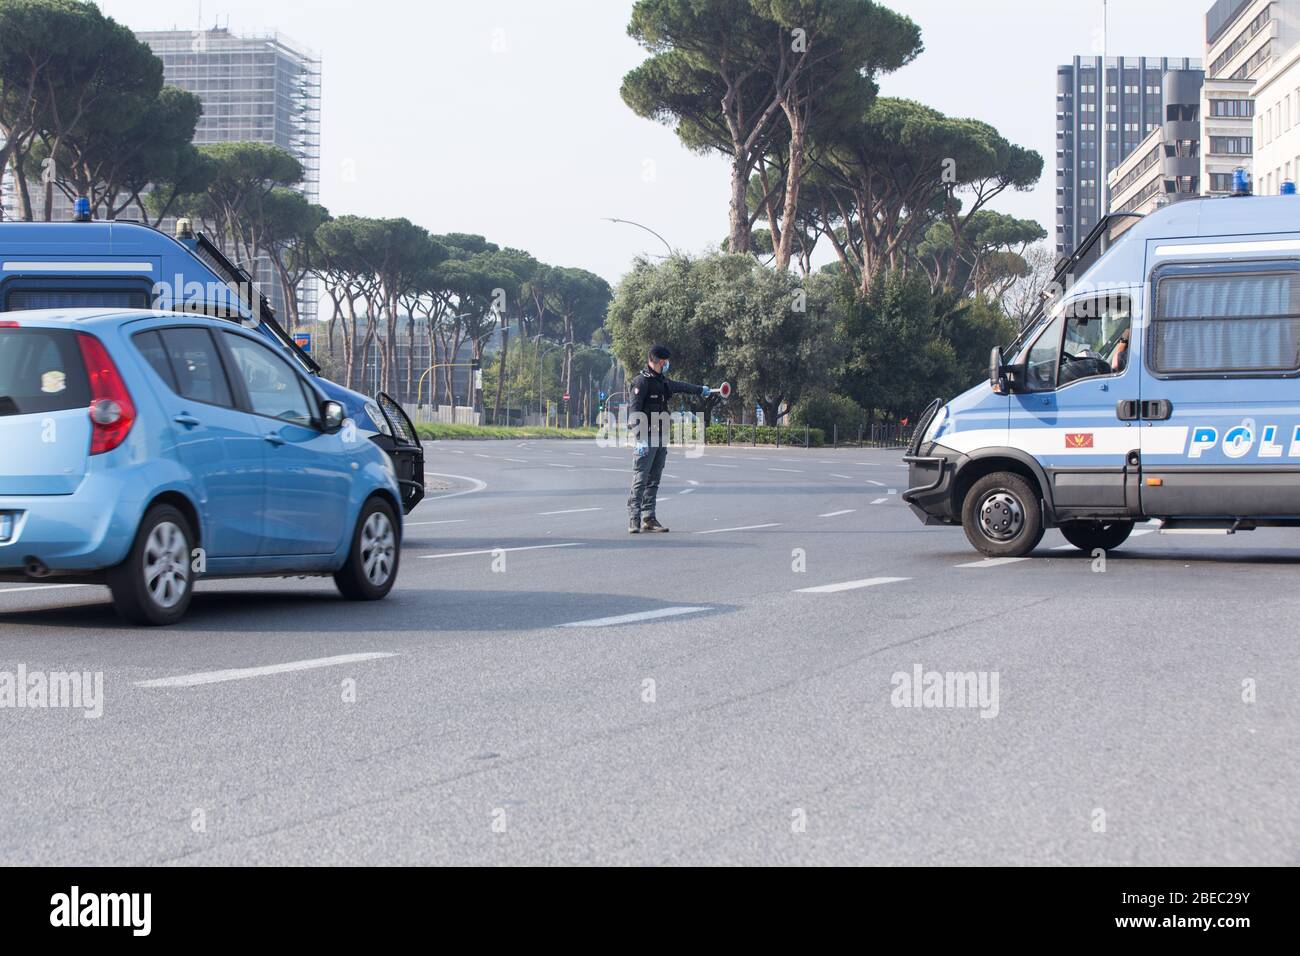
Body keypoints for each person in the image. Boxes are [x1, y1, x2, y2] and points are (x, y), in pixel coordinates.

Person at [627, 344, 710, 533]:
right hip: (646, 437)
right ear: (656, 362)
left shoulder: (662, 382)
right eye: (664, 362)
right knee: (640, 478)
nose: (666, 365)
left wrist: (700, 390)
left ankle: (649, 517)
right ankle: (634, 518)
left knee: (654, 479)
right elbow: (634, 412)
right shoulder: (641, 382)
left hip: (660, 436)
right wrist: (639, 438)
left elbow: (680, 386)